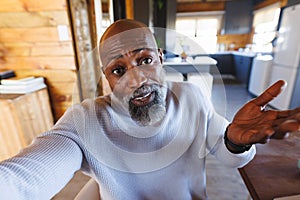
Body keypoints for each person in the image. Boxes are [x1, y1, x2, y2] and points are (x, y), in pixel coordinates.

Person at [0, 19, 299, 200]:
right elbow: (24, 177)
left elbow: (229, 154)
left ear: (159, 57)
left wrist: (235, 140)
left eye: (144, 61)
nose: (137, 79)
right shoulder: (86, 119)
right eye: (119, 69)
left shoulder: (191, 97)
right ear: (107, 77)